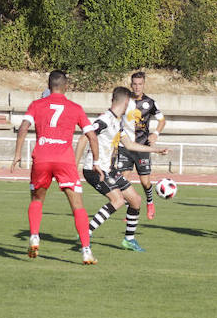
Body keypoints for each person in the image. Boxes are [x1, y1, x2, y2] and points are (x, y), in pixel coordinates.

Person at [11, 70, 103, 265]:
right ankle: (86, 251)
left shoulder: (36, 105)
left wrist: (18, 153)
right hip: (65, 160)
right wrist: (96, 162)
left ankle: (35, 236)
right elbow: (92, 136)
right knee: (77, 205)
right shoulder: (75, 108)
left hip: (42, 157)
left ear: (48, 85)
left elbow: (23, 127)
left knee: (37, 198)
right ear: (66, 86)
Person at [74, 86, 169, 252]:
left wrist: (156, 150)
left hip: (109, 169)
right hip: (95, 170)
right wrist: (74, 167)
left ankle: (129, 240)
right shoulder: (104, 120)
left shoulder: (117, 123)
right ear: (126, 102)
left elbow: (130, 145)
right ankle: (85, 233)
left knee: (136, 200)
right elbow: (84, 137)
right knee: (118, 200)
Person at [116, 72, 166, 220]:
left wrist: (155, 133)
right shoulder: (124, 100)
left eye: (140, 84)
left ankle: (150, 202)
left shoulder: (150, 102)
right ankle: (131, 209)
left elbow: (162, 120)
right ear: (131, 84)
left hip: (142, 146)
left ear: (144, 85)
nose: (137, 87)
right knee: (123, 180)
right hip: (125, 145)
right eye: (134, 84)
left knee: (145, 182)